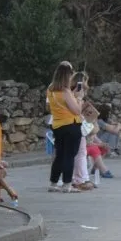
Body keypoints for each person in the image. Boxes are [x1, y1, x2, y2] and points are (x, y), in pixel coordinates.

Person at [47, 61, 84, 193]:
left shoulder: (50, 89)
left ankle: (53, 182)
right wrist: (79, 98)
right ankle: (67, 184)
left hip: (58, 125)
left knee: (60, 155)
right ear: (67, 76)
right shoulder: (65, 91)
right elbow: (77, 110)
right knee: (69, 155)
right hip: (71, 125)